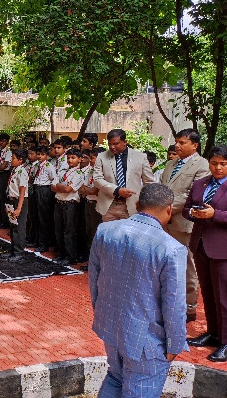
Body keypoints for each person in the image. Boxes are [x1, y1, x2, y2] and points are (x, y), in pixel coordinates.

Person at [89, 183, 188, 397]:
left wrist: (102, 315)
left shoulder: (105, 231)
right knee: (140, 387)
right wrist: (175, 345)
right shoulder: (171, 249)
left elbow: (95, 279)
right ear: (169, 210)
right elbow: (174, 304)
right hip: (147, 340)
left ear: (136, 204)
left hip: (111, 327)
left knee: (115, 377)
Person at [160, 129, 210, 323]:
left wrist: (164, 207)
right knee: (168, 265)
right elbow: (162, 186)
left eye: (182, 143)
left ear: (194, 145)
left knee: (187, 266)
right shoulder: (171, 163)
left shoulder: (202, 165)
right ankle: (171, 302)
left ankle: (190, 307)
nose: (177, 146)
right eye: (177, 142)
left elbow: (192, 195)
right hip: (165, 222)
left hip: (184, 223)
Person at [184, 145, 227, 362]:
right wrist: (192, 212)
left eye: (223, 163)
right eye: (214, 163)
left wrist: (215, 214)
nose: (218, 167)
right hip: (200, 245)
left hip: (223, 249)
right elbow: (186, 207)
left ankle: (226, 342)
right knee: (208, 294)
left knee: (224, 297)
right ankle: (213, 333)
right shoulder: (201, 183)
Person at [93, 129, 154, 222]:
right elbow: (97, 179)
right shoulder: (101, 157)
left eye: (116, 143)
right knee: (109, 235)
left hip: (132, 206)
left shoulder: (140, 157)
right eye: (110, 144)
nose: (112, 147)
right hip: (108, 206)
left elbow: (149, 182)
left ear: (125, 142)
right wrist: (117, 190)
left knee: (129, 235)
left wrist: (143, 201)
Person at [51, 148, 84, 265]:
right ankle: (62, 253)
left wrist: (60, 186)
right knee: (59, 229)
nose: (70, 160)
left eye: (73, 157)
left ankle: (71, 256)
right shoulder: (62, 172)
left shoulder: (79, 174)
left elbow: (68, 189)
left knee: (69, 231)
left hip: (70, 204)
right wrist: (62, 186)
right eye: (68, 157)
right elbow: (52, 187)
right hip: (59, 202)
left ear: (79, 159)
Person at [79, 147, 105, 271]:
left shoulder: (103, 173)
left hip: (97, 205)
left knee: (96, 233)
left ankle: (97, 263)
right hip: (88, 202)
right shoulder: (90, 171)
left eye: (93, 157)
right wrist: (88, 190)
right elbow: (82, 188)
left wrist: (88, 190)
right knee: (89, 232)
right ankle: (91, 261)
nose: (90, 160)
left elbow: (96, 190)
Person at [6, 148, 29, 260]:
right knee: (12, 225)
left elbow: (22, 191)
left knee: (19, 227)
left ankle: (19, 252)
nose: (11, 160)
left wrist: (19, 208)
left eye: (13, 158)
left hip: (19, 201)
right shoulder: (15, 170)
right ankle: (13, 250)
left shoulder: (22, 172)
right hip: (12, 200)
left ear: (20, 160)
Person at [33, 146, 56, 253]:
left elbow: (53, 179)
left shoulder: (49, 166)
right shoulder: (37, 165)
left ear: (47, 156)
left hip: (45, 189)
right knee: (37, 216)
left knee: (44, 218)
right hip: (37, 188)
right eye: (38, 154)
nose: (39, 156)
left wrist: (47, 192)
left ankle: (44, 244)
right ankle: (37, 240)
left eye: (42, 154)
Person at [24, 146, 39, 248]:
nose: (29, 156)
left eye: (32, 154)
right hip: (26, 192)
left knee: (34, 216)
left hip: (33, 192)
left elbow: (32, 179)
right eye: (28, 154)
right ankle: (28, 235)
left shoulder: (38, 166)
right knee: (28, 215)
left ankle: (33, 237)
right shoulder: (26, 164)